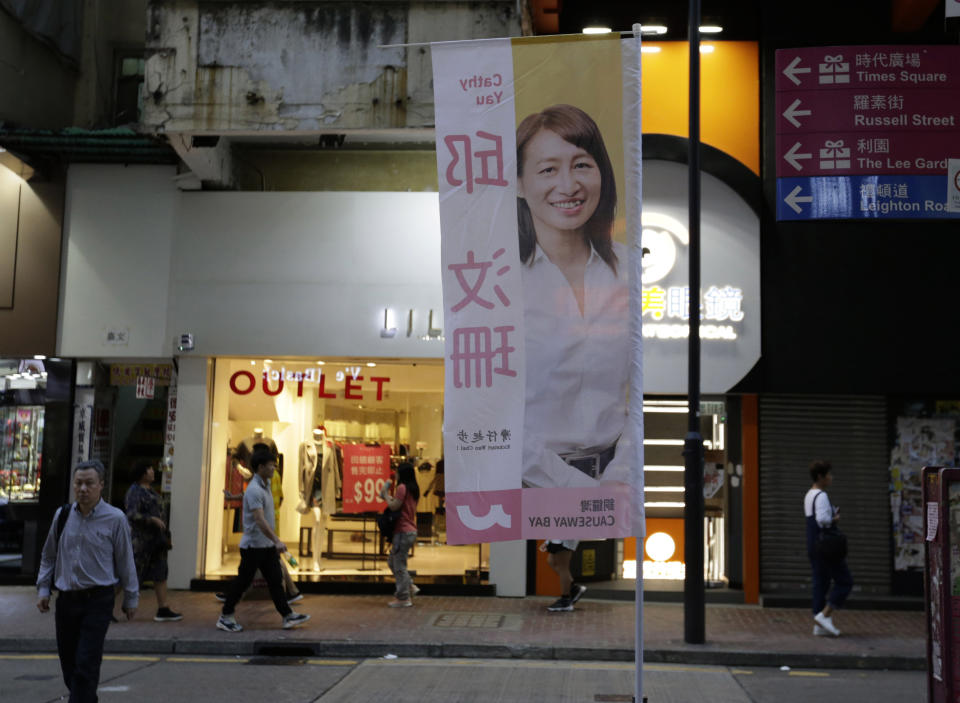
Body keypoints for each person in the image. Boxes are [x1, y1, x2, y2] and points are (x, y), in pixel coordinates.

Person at [516, 104, 630, 489]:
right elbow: (485, 407)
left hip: (615, 484)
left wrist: (618, 476)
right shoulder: (496, 282)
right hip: (527, 485)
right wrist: (572, 487)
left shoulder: (631, 270)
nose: (568, 185)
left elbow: (647, 390)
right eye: (548, 170)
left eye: (582, 165)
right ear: (518, 183)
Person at [36, 459, 139, 703]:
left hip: (98, 600)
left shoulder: (115, 519)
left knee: (86, 664)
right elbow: (49, 555)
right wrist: (43, 589)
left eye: (89, 483)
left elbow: (126, 561)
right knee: (70, 666)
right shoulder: (61, 516)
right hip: (66, 600)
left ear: (101, 485)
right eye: (78, 483)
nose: (83, 489)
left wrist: (131, 598)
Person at [216, 448, 310, 632]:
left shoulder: (263, 485)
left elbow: (246, 498)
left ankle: (287, 616)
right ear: (260, 467)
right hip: (253, 547)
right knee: (243, 582)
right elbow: (259, 519)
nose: (274, 467)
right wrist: (277, 540)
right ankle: (225, 616)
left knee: (276, 580)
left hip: (265, 546)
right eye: (270, 465)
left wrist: (233, 496)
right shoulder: (254, 489)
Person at [124, 461, 182, 622]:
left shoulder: (151, 491)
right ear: (142, 474)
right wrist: (151, 520)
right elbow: (131, 514)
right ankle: (107, 606)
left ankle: (163, 608)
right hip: (141, 541)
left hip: (157, 541)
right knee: (130, 573)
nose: (152, 472)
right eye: (149, 469)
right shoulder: (134, 492)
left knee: (160, 572)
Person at [804, 459, 853, 637]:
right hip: (826, 546)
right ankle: (825, 615)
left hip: (814, 544)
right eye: (828, 475)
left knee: (821, 583)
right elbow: (823, 520)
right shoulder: (822, 496)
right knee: (845, 581)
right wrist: (835, 519)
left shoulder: (809, 495)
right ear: (820, 477)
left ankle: (819, 624)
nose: (831, 478)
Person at [379, 462, 419, 608]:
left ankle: (403, 597)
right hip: (409, 530)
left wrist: (385, 496)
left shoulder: (402, 488)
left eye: (397, 471)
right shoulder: (414, 489)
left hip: (402, 530)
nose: (395, 474)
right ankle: (409, 586)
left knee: (399, 565)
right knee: (392, 562)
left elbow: (394, 506)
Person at [539, 540, 587, 612]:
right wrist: (547, 541)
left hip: (564, 539)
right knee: (552, 561)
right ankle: (573, 588)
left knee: (563, 567)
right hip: (557, 538)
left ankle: (565, 601)